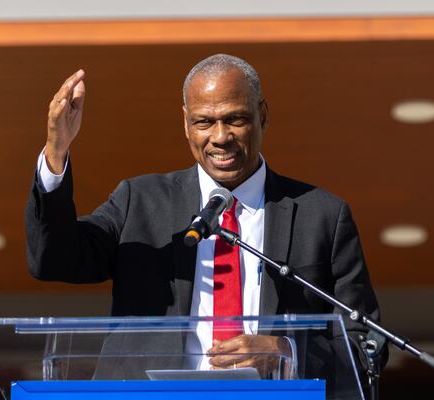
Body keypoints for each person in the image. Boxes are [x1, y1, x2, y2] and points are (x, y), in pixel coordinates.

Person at [25, 54, 385, 388]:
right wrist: (56, 152)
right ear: (186, 123)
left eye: (235, 119)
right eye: (204, 122)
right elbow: (53, 258)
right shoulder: (140, 201)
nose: (220, 137)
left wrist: (286, 352)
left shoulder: (322, 215)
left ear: (262, 115)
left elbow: (368, 345)